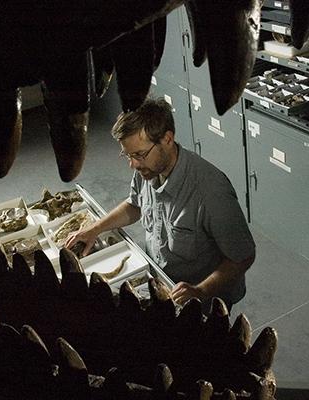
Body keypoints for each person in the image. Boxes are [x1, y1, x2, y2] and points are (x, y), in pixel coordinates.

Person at [66, 98, 256, 309]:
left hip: (202, 299)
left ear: (167, 139)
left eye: (138, 154)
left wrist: (202, 290)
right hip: (162, 282)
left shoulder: (211, 192)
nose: (133, 164)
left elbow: (243, 256)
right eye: (127, 155)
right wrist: (94, 229)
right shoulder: (148, 169)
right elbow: (135, 204)